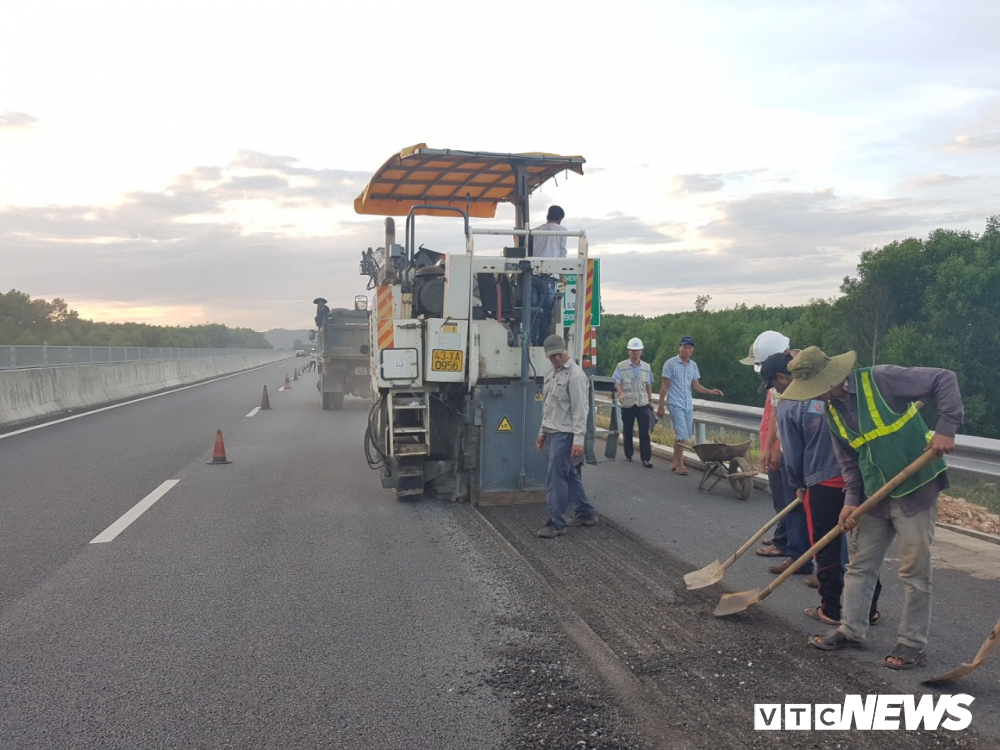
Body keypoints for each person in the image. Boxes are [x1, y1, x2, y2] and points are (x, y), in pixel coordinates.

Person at [781, 347, 963, 670]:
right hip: (874, 496)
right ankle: (851, 629)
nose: (813, 397)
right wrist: (851, 500)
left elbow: (943, 378)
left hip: (916, 489)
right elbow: (849, 461)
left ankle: (912, 643)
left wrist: (946, 426)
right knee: (859, 565)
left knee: (914, 570)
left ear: (829, 377)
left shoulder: (881, 379)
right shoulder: (831, 410)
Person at [760, 352, 880, 617]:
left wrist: (798, 486)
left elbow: (792, 453)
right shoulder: (842, 391)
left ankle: (832, 609)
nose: (776, 390)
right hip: (861, 478)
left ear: (784, 377)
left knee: (825, 547)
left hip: (823, 481)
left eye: (775, 384)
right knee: (862, 548)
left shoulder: (790, 405)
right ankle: (868, 609)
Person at [535, 334, 597, 538]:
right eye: (551, 356)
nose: (556, 359)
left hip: (565, 435)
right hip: (553, 432)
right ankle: (585, 513)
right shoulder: (551, 375)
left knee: (556, 478)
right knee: (568, 474)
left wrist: (579, 440)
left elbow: (581, 411)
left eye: (558, 354)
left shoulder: (575, 376)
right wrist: (542, 432)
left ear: (565, 350)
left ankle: (556, 523)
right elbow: (548, 408)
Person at [656, 336, 723, 475]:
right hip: (675, 403)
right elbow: (664, 386)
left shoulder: (693, 365)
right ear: (680, 347)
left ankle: (675, 460)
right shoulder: (670, 363)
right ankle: (681, 464)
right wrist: (661, 405)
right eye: (685, 347)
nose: (687, 350)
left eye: (690, 348)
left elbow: (696, 385)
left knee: (684, 434)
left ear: (692, 350)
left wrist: (710, 391)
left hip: (687, 404)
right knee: (682, 436)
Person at [614, 337, 655, 468]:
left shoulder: (647, 367)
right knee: (628, 430)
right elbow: (617, 382)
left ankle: (646, 458)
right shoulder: (621, 366)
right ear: (628, 352)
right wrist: (620, 394)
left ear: (641, 352)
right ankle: (628, 454)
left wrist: (650, 400)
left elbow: (648, 384)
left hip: (642, 403)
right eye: (633, 350)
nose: (635, 353)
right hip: (628, 402)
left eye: (637, 351)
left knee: (644, 431)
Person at [530, 206, 566, 346]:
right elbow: (562, 254)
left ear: (547, 216)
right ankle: (542, 341)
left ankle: (531, 339)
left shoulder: (535, 230)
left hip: (533, 274)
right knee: (547, 310)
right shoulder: (562, 231)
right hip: (551, 275)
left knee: (533, 309)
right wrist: (561, 278)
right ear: (560, 219)